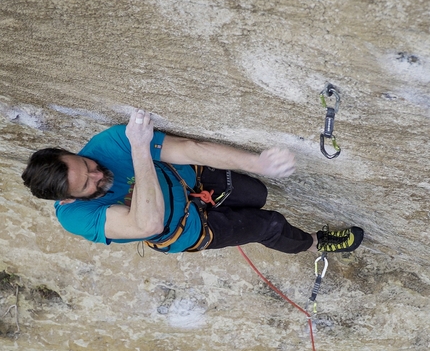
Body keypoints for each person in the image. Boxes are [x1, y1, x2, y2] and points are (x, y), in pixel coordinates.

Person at [22, 109, 364, 254]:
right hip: (184, 229)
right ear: (68, 199)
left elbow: (189, 149)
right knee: (269, 224)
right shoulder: (75, 218)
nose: (97, 174)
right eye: (87, 185)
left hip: (189, 182)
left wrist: (257, 163)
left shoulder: (108, 143)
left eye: (87, 164)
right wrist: (140, 149)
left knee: (257, 193)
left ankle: (255, 191)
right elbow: (148, 223)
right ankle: (313, 244)